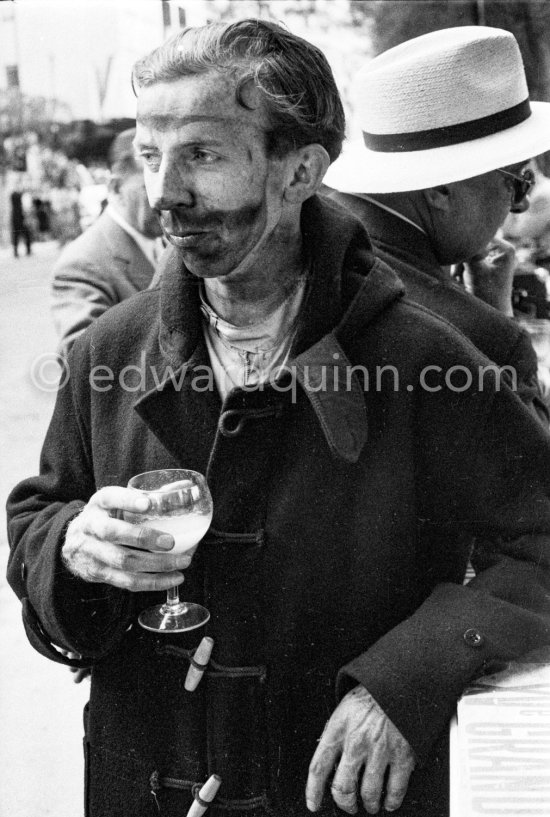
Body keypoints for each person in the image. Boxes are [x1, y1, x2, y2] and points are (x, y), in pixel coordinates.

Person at [6, 20, 550, 817]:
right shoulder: (104, 354)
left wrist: (408, 678)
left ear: (302, 172)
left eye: (203, 155)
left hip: (336, 798)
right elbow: (39, 516)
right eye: (152, 156)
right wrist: (69, 546)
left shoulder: (427, 359)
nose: (163, 192)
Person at [324, 26, 550, 424]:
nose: (524, 204)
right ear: (442, 191)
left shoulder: (321, 232)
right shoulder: (486, 337)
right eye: (517, 183)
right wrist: (496, 315)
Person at [50, 128, 163, 357]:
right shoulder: (82, 264)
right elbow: (87, 363)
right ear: (115, 187)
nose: (164, 197)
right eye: (148, 187)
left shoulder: (167, 241)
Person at [10, 182, 33, 258]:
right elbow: (24, 208)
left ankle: (17, 251)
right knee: (25, 234)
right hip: (20, 218)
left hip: (15, 218)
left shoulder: (14, 196)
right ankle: (27, 250)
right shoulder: (19, 196)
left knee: (17, 235)